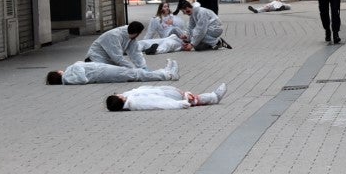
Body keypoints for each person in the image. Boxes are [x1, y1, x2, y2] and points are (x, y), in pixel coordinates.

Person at [46, 58, 178, 85]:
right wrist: (77, 64)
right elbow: (82, 78)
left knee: (134, 73)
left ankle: (163, 72)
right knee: (135, 74)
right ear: (58, 73)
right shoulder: (70, 73)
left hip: (102, 72)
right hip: (103, 72)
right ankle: (167, 75)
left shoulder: (68, 78)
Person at [105, 83, 228, 111]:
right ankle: (214, 97)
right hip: (166, 96)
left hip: (162, 91)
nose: (119, 94)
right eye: (118, 95)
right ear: (121, 99)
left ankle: (213, 97)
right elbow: (158, 103)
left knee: (187, 96)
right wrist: (179, 105)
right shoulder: (136, 102)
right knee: (191, 99)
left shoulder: (129, 98)